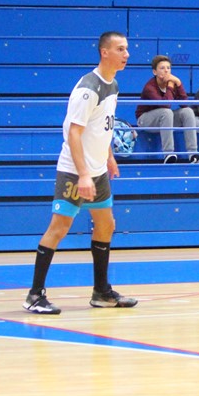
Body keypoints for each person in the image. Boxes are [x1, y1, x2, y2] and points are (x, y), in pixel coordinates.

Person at [23, 32, 137, 314]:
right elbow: (74, 133)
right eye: (120, 49)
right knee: (59, 228)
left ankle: (101, 292)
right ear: (104, 52)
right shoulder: (88, 88)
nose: (126, 54)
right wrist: (83, 174)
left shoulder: (113, 85)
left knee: (106, 224)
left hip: (97, 171)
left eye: (126, 49)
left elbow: (103, 127)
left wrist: (109, 157)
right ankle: (34, 295)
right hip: (75, 171)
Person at [134, 55, 199, 164]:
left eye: (168, 68)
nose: (166, 70)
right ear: (154, 72)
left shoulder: (172, 83)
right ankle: (168, 153)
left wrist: (179, 83)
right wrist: (170, 87)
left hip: (164, 119)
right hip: (145, 120)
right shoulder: (150, 87)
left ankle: (193, 154)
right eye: (162, 68)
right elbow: (165, 105)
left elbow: (185, 104)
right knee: (166, 112)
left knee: (188, 111)